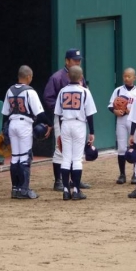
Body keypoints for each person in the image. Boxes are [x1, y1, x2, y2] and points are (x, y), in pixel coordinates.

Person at [44, 48, 92, 192]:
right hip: (62, 118)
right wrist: (64, 110)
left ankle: (75, 180)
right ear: (67, 61)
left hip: (77, 119)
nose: (77, 62)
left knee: (76, 151)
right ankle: (58, 181)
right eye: (75, 60)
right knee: (61, 149)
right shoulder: (57, 77)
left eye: (79, 60)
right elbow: (48, 98)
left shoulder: (79, 76)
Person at [1, 65, 52, 199]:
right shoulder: (30, 91)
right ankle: (24, 190)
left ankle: (15, 189)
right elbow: (40, 114)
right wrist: (50, 124)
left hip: (12, 124)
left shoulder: (10, 90)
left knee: (15, 157)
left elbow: (5, 113)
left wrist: (3, 130)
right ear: (28, 77)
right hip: (24, 125)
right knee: (25, 157)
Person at [54, 66, 97, 201]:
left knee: (66, 158)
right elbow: (89, 114)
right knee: (77, 159)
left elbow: (58, 113)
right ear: (81, 77)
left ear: (68, 76)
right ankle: (77, 190)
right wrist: (92, 132)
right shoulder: (85, 91)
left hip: (65, 123)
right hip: (79, 124)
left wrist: (61, 131)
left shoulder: (62, 91)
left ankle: (66, 191)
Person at [108, 68, 136, 185]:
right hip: (121, 120)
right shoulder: (118, 90)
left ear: (134, 78)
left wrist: (131, 111)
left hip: (133, 121)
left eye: (129, 76)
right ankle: (122, 174)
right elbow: (110, 105)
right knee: (121, 148)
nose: (126, 78)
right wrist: (115, 111)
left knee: (135, 146)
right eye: (125, 76)